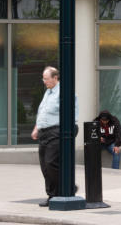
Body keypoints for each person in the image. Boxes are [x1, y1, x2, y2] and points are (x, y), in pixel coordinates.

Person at [32, 66, 78, 207]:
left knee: (51, 162)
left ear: (55, 78)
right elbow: (42, 113)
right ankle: (52, 195)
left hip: (57, 131)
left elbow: (72, 113)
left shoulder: (64, 92)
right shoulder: (48, 92)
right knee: (45, 166)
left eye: (46, 78)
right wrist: (36, 129)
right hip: (44, 133)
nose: (44, 81)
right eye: (43, 78)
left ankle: (68, 187)